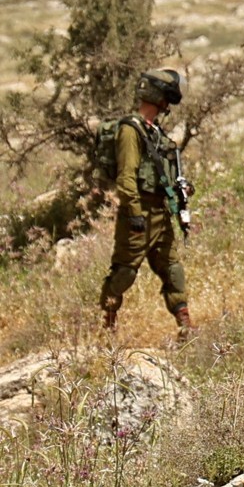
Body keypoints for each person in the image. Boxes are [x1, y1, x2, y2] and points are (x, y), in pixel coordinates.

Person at [99, 69, 197, 341]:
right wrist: (134, 214)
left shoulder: (156, 133)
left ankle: (186, 328)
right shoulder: (131, 130)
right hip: (138, 212)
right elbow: (126, 176)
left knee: (172, 269)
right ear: (158, 96)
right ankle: (106, 328)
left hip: (160, 213)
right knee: (125, 273)